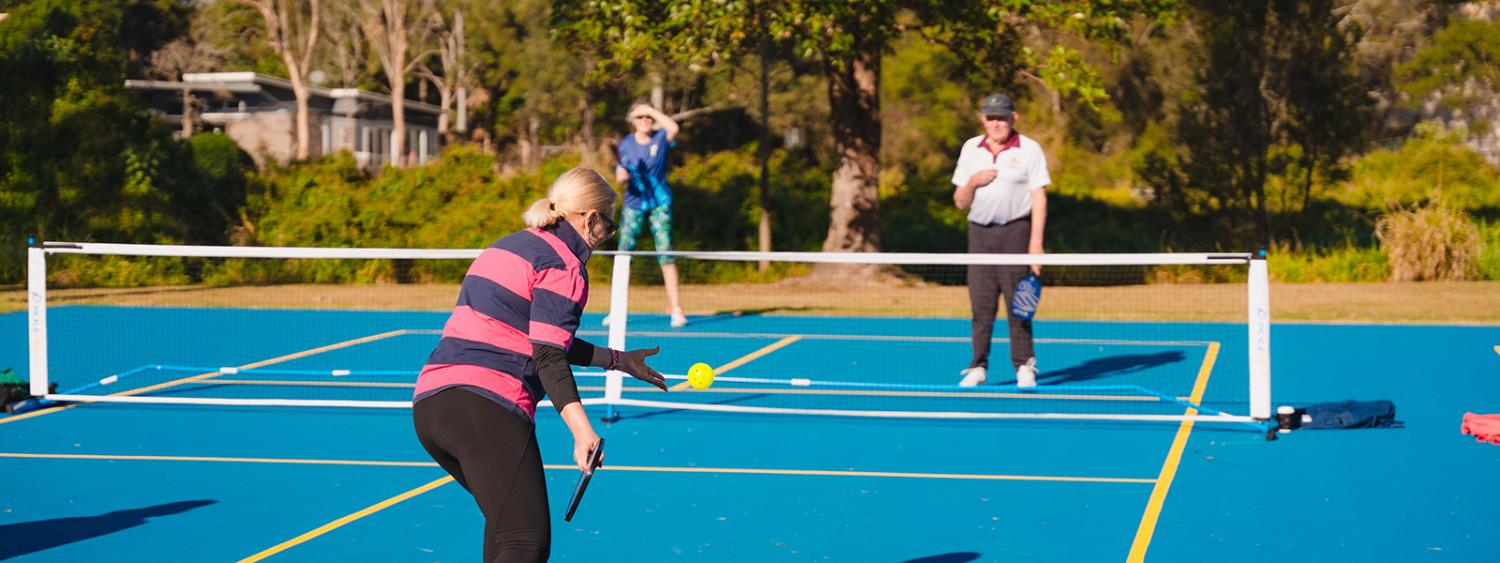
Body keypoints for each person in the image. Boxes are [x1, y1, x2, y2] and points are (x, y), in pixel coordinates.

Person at [412, 167, 669, 562]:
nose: (606, 236)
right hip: (487, 408)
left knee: (508, 529)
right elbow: (548, 354)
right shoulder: (565, 266)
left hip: (431, 407)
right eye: (609, 226)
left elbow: (537, 336)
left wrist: (618, 360)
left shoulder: (507, 246)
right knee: (525, 540)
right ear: (590, 219)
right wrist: (582, 431)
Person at [951, 93, 1050, 388]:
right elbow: (959, 202)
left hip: (1016, 232)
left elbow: (1039, 196)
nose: (996, 123)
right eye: (990, 118)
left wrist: (1035, 243)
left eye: (1001, 118)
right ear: (983, 119)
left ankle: (1024, 365)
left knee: (1019, 304)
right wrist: (973, 182)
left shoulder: (1030, 149)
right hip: (980, 234)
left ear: (1013, 118)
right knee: (981, 305)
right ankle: (977, 366)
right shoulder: (971, 148)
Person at [612, 101, 688, 328]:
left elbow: (673, 127)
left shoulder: (661, 137)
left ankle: (676, 309)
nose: (645, 120)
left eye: (648, 117)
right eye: (640, 117)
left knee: (665, 253)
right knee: (624, 254)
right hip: (633, 203)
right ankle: (617, 310)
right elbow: (620, 170)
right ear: (632, 120)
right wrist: (621, 176)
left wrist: (650, 110)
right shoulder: (625, 143)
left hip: (659, 204)